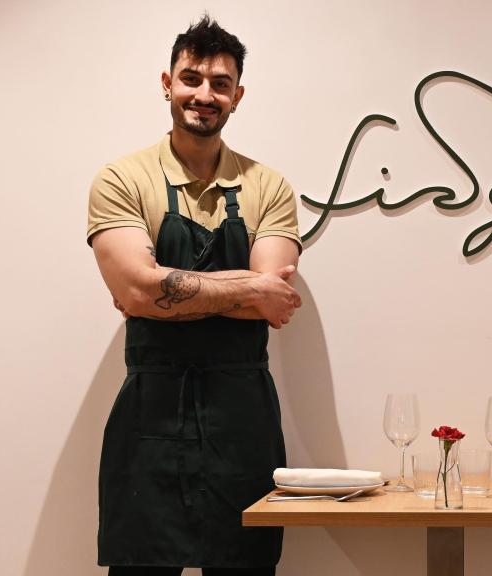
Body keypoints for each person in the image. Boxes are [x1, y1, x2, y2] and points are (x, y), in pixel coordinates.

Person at [87, 16, 302, 575]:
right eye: (192, 79)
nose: (204, 95)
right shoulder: (122, 178)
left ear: (238, 95)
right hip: (150, 414)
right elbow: (135, 289)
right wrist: (248, 284)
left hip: (243, 419)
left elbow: (271, 303)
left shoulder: (268, 186)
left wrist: (167, 288)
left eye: (220, 84)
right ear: (167, 82)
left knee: (246, 568)